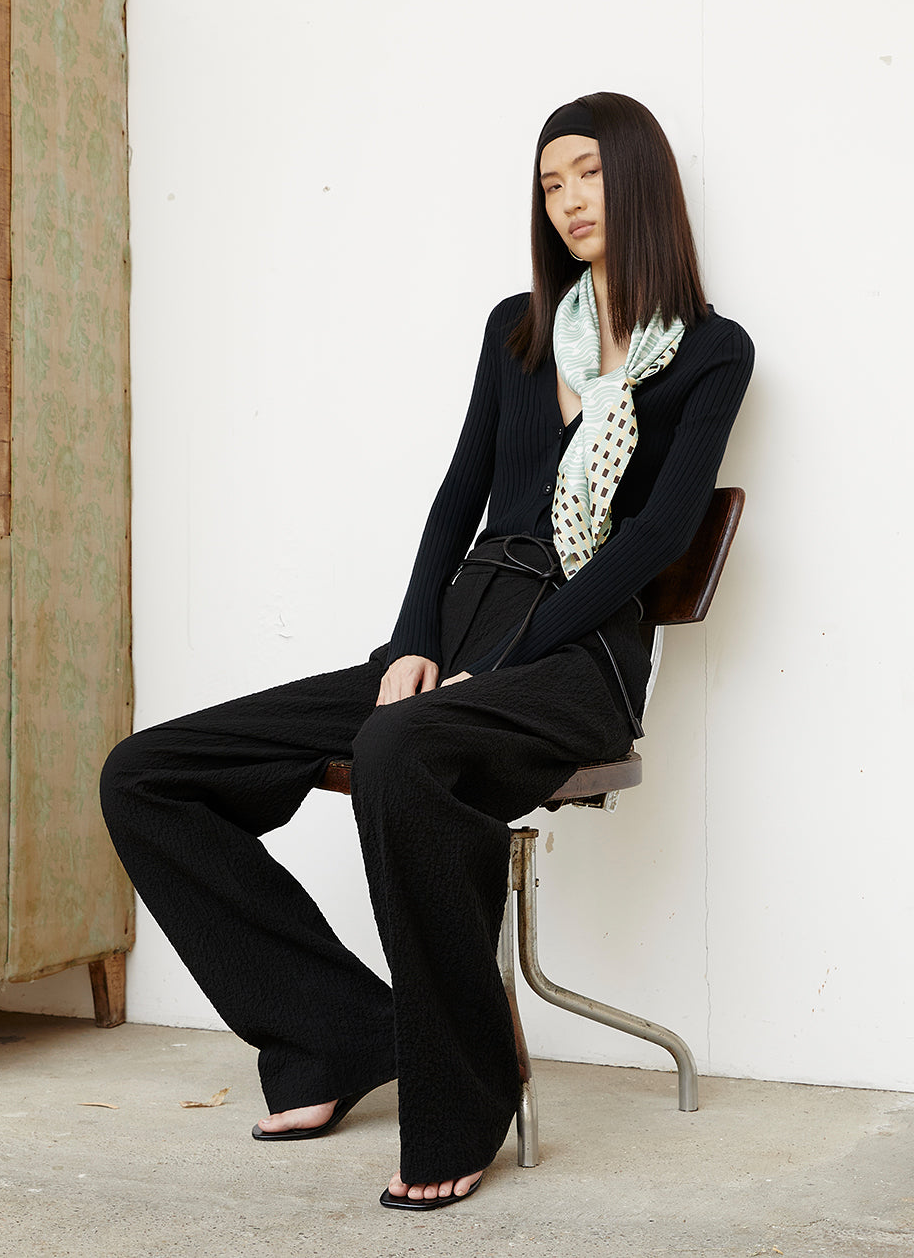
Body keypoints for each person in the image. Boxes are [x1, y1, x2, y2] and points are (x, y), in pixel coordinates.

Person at [100, 92, 753, 1211]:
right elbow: (460, 497)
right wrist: (415, 641)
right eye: (550, 184)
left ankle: (462, 1096)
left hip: (578, 659)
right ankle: (333, 1034)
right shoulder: (519, 330)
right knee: (148, 775)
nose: (569, 200)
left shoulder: (712, 351)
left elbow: (652, 539)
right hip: (458, 632)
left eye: (589, 174)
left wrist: (506, 661)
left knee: (400, 748)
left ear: (641, 179)